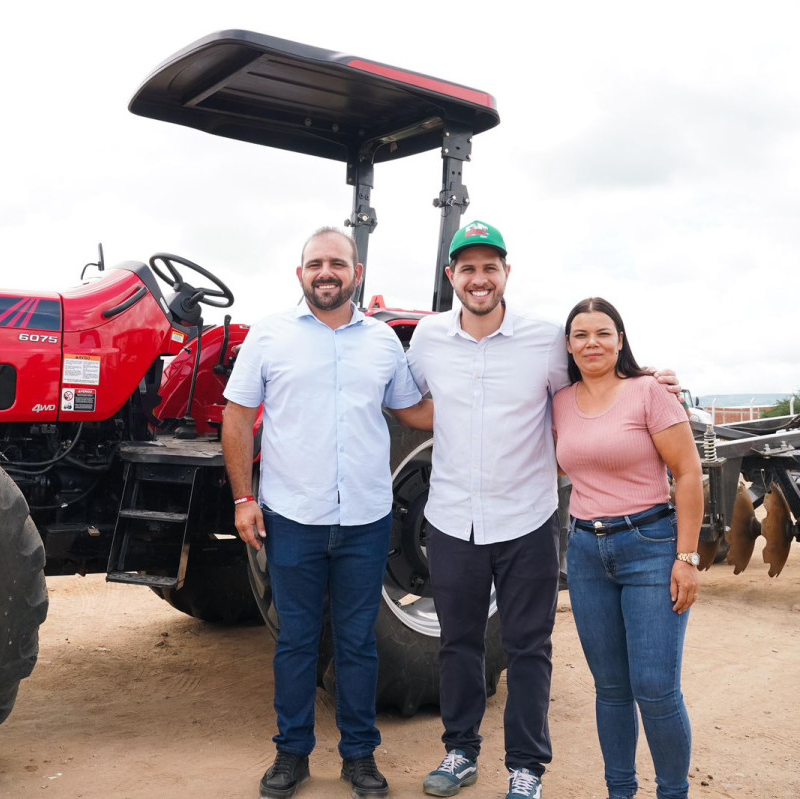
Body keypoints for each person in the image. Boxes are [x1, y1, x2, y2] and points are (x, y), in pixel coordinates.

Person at [405, 221, 679, 799]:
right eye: (469, 268)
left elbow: (595, 379)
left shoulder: (544, 341)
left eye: (490, 267)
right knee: (458, 641)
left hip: (527, 519)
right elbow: (410, 402)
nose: (480, 279)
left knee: (529, 646)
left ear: (507, 273)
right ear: (452, 275)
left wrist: (649, 378)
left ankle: (526, 767)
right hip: (453, 517)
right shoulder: (427, 339)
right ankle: (460, 753)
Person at [222, 227, 431, 799]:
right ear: (301, 274)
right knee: (296, 640)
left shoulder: (384, 343)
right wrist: (244, 499)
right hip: (292, 518)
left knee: (359, 641)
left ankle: (359, 757)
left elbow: (412, 411)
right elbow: (237, 417)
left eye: (337, 263)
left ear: (356, 273)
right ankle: (291, 754)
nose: (326, 272)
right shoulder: (269, 337)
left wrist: (495, 401)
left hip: (366, 520)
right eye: (316, 263)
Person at [552, 297, 703, 799]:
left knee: (656, 690)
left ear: (620, 340)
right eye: (580, 335)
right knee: (611, 691)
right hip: (586, 551)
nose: (591, 343)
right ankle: (620, 791)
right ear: (568, 346)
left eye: (602, 333)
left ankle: (672, 793)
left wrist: (686, 557)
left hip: (651, 546)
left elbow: (687, 474)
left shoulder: (648, 393)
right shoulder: (559, 402)